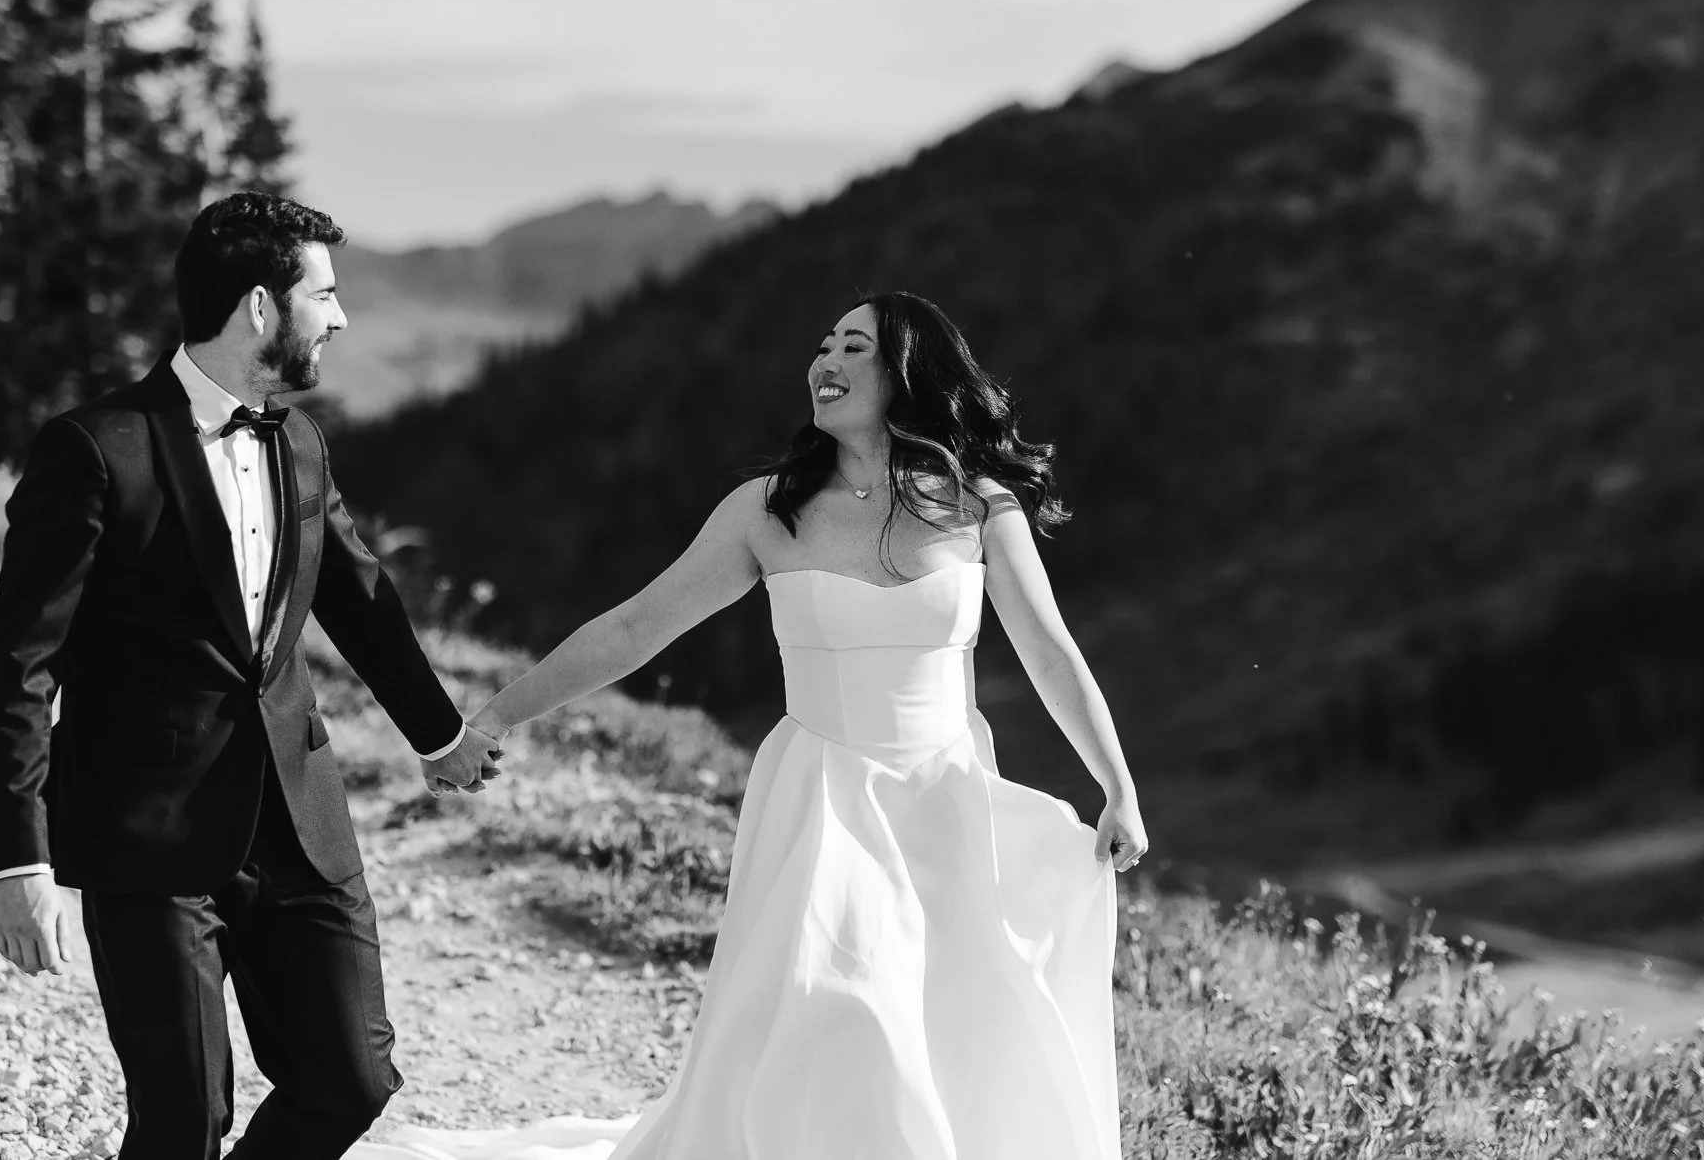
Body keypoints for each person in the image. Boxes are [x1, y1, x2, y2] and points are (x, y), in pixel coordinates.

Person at [362, 290, 1145, 1160]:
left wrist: (1118, 785)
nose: (826, 361)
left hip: (948, 801)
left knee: (951, 1023)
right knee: (849, 1011)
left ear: (906, 371)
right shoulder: (765, 509)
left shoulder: (978, 504)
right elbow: (633, 628)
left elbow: (1049, 650)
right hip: (822, 803)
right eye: (822, 345)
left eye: (855, 346)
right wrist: (498, 713)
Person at [0, 191, 505, 1159]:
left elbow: (360, 601)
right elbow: (21, 663)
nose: (339, 318)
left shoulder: (299, 441)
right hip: (150, 843)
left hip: (302, 826)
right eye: (325, 295)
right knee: (184, 1125)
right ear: (261, 309)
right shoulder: (96, 449)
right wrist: (21, 858)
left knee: (351, 1079)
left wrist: (441, 735)